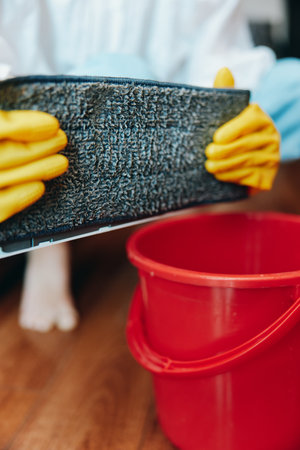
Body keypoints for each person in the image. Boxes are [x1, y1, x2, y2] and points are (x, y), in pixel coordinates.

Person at [0, 0, 282, 331]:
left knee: (290, 87)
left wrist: (237, 114)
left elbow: (220, 53)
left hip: (169, 130)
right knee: (110, 69)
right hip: (45, 141)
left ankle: (178, 207)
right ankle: (48, 242)